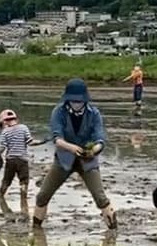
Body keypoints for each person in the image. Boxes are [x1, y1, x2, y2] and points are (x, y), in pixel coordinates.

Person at [34, 78, 116, 229]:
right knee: (43, 195)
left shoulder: (94, 114)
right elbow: (57, 138)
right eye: (73, 100)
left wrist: (94, 150)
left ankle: (113, 231)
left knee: (101, 198)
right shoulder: (58, 112)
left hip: (88, 161)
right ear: (67, 99)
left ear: (85, 100)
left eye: (79, 101)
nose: (76, 103)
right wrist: (71, 148)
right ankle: (36, 231)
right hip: (64, 160)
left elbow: (100, 139)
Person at [0, 109, 38, 212]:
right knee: (24, 181)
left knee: (6, 180)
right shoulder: (23, 128)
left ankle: (1, 196)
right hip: (22, 160)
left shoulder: (5, 132)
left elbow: (2, 148)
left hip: (11, 161)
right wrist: (41, 142)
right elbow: (30, 142)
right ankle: (24, 201)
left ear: (4, 121)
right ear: (16, 119)